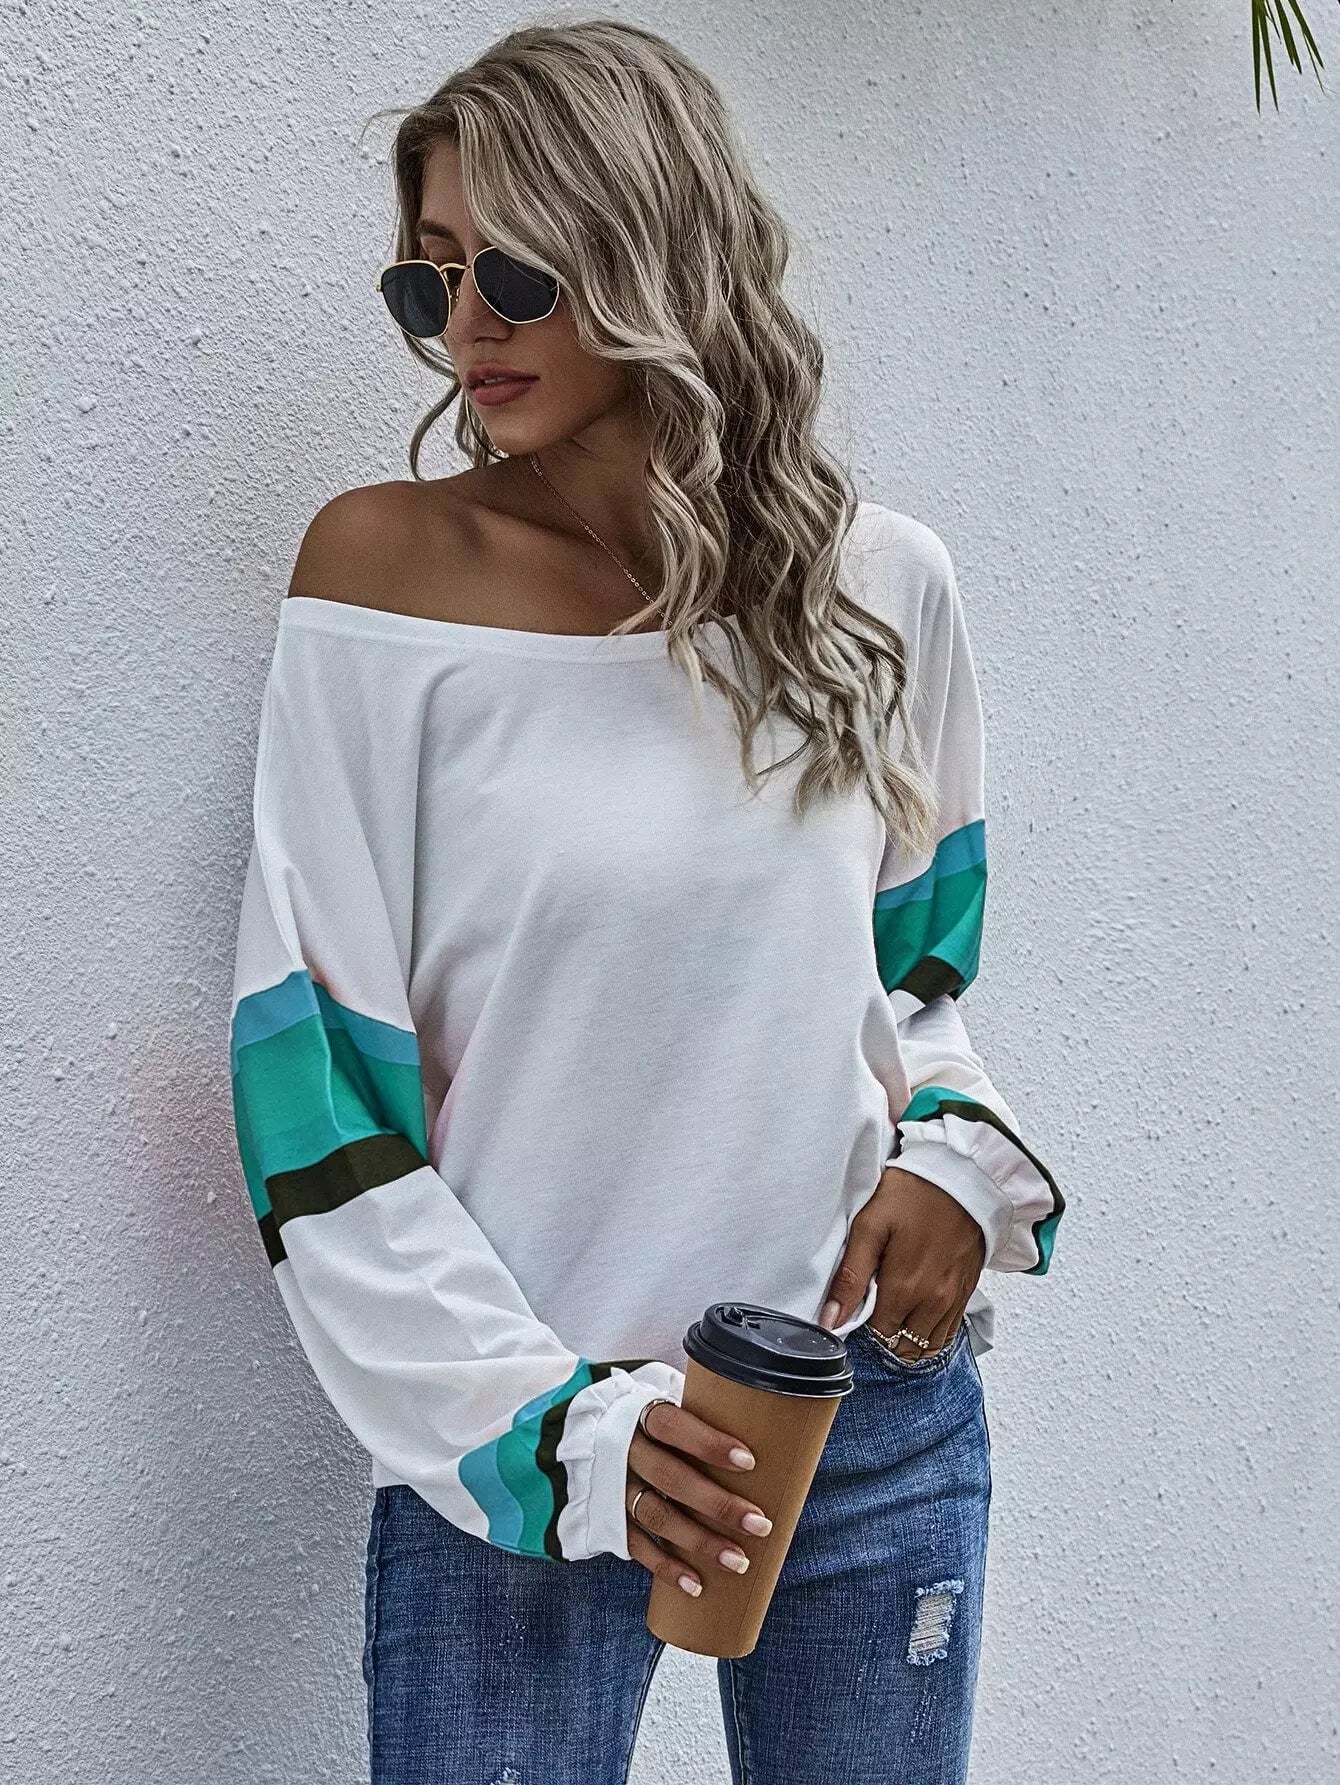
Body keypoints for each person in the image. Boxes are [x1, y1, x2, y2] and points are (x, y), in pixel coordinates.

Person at [226, 17, 1065, 1784]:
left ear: (656, 254)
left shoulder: (879, 589)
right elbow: (317, 1099)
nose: (467, 328)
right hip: (517, 1449)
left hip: (863, 1416)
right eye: (431, 277)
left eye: (519, 274)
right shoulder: (384, 578)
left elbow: (911, 986)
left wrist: (955, 1157)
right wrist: (555, 1437)